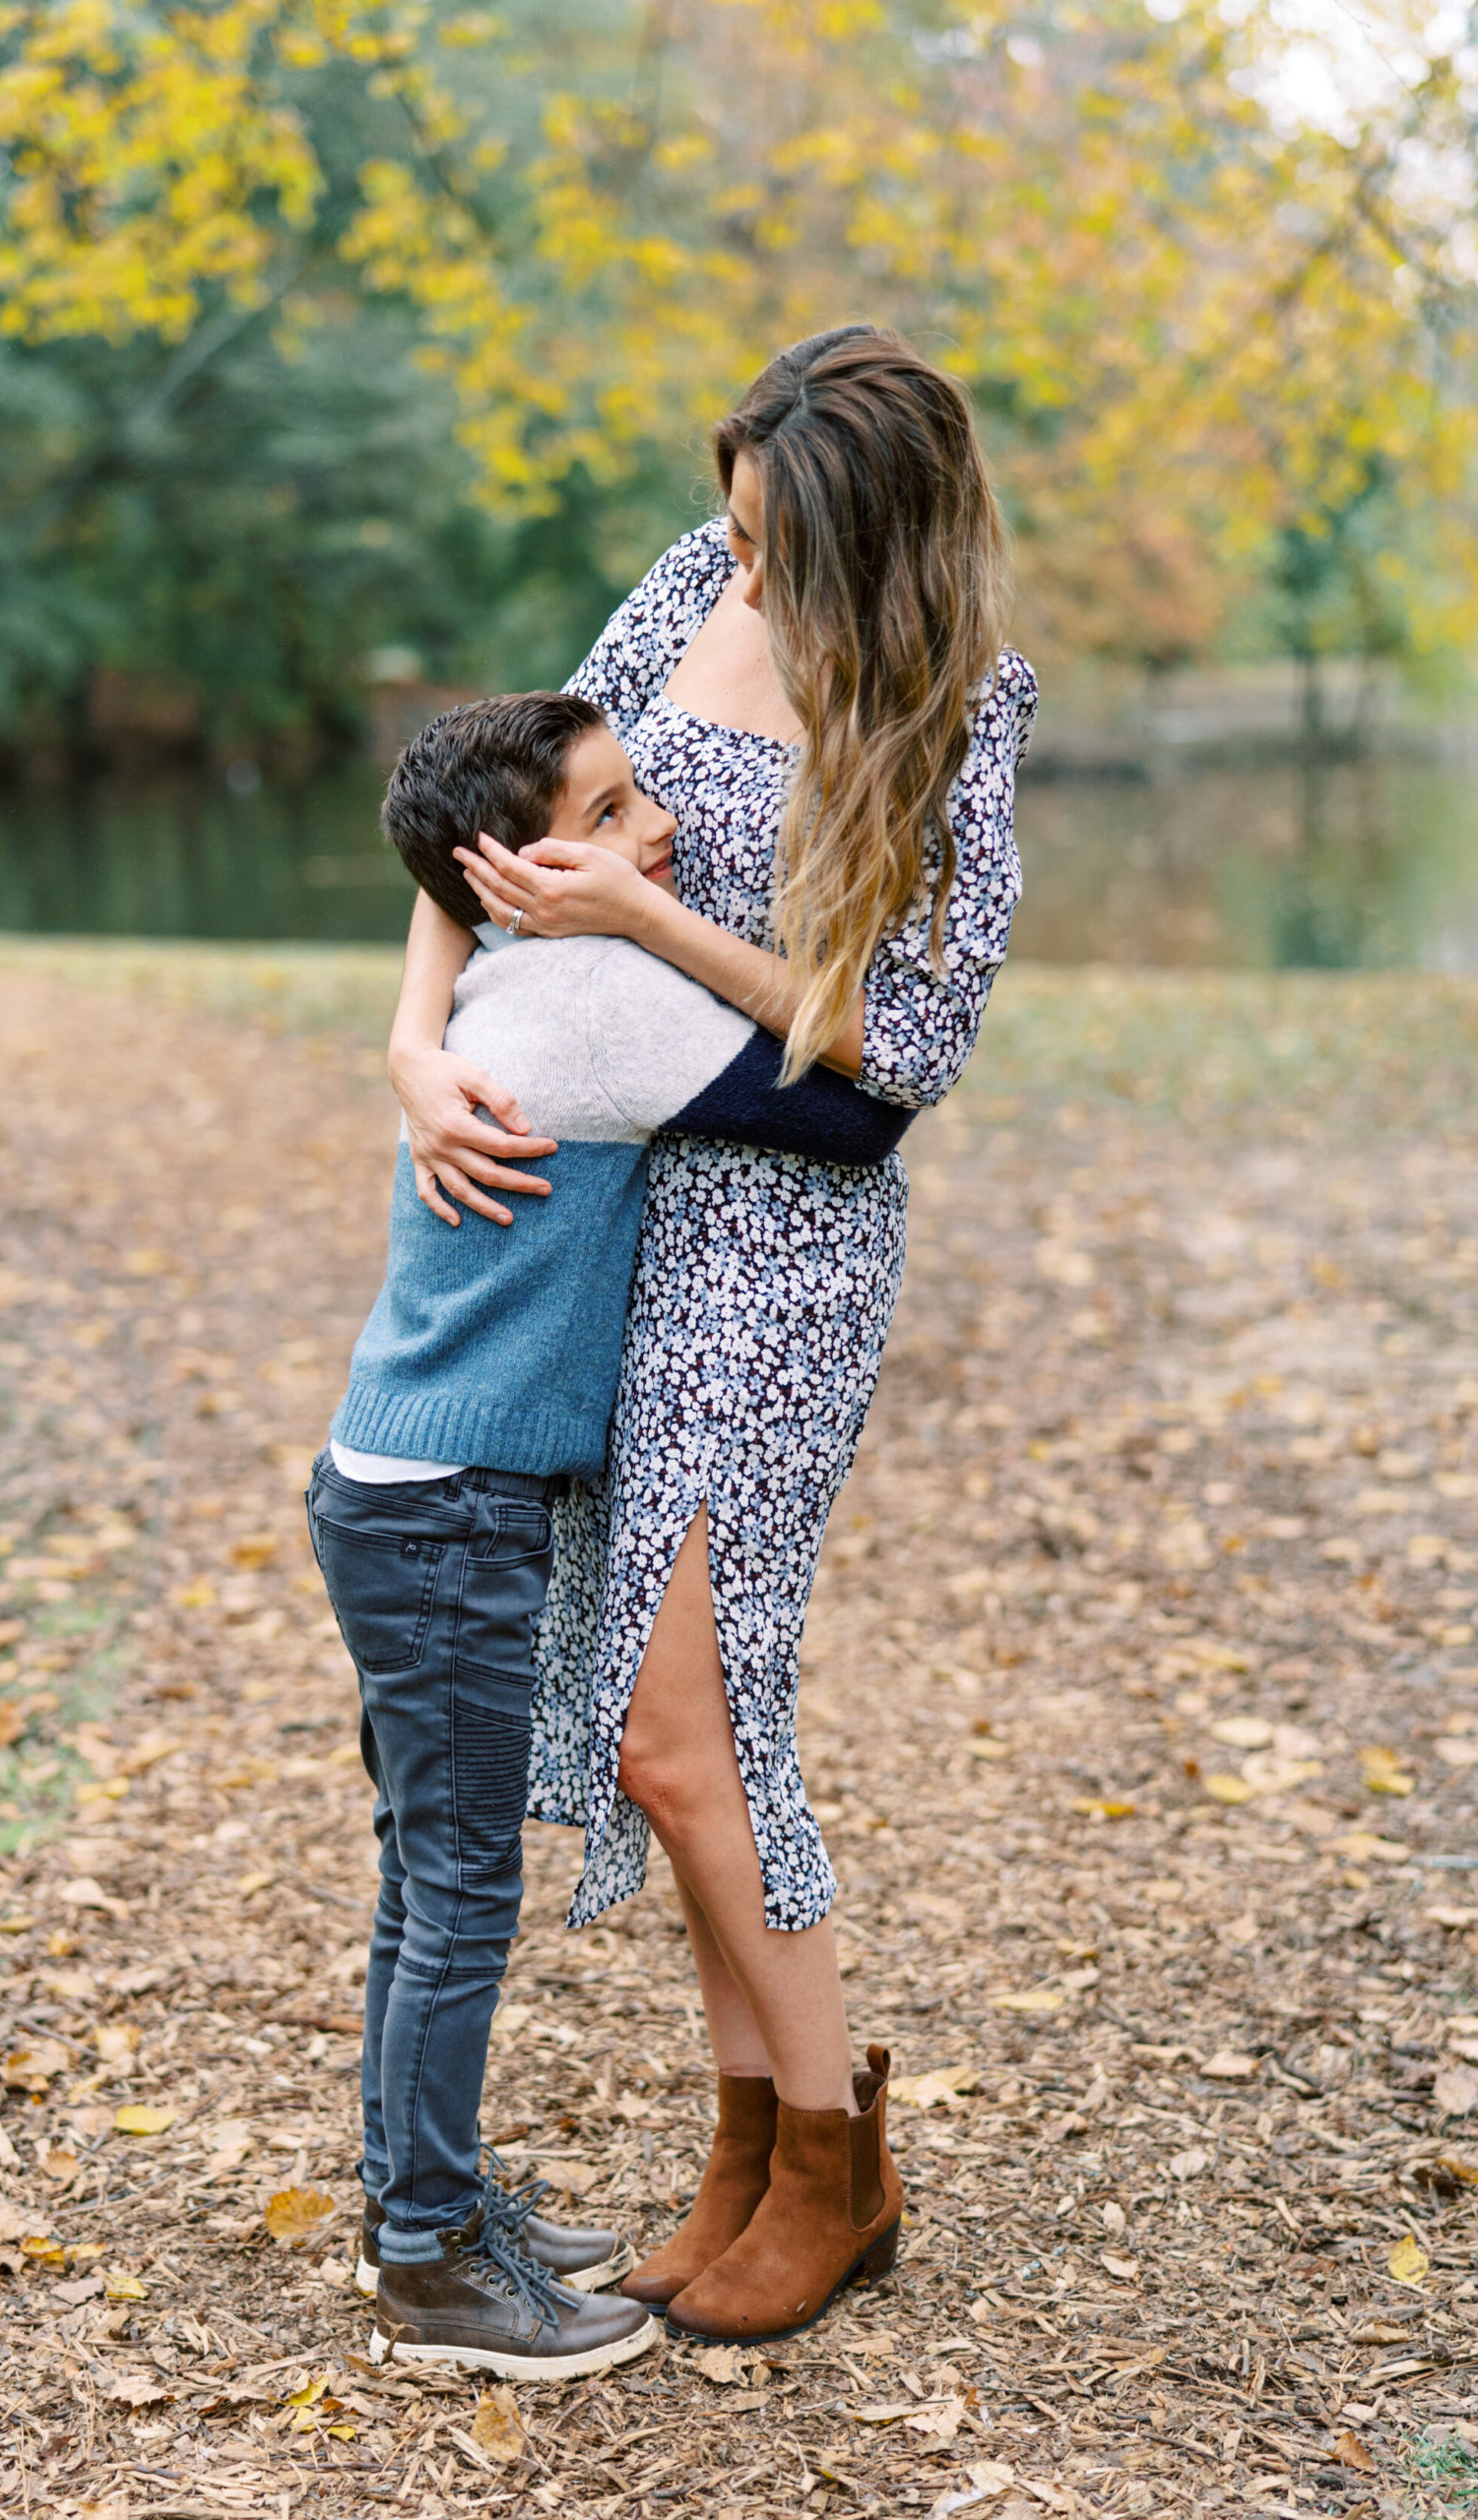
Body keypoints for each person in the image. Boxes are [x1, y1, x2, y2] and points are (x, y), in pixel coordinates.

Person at [386, 326, 1038, 2344]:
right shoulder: (688, 575)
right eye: (733, 527)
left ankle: (836, 2158)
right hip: (622, 1218)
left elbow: (896, 1053)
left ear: (874, 550)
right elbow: (500, 820)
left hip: (783, 1239)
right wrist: (414, 1044)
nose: (735, 575)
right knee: (675, 1733)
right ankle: (748, 2139)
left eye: (773, 546)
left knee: (688, 1725)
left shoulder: (957, 717)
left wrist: (651, 926)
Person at [309, 688, 916, 2378]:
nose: (662, 827)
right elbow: (853, 1107)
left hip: (403, 1493)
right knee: (455, 1892)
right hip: (449, 1516)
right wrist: (664, 922)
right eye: (618, 806)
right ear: (524, 866)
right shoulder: (592, 996)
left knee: (427, 1880)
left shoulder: (506, 981)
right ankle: (426, 2251)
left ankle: (424, 2199)